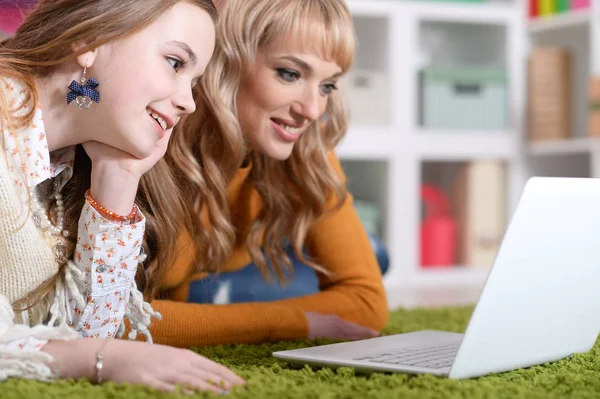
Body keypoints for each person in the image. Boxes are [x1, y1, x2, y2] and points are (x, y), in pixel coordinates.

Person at [0, 0, 243, 393]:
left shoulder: (61, 169)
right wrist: (101, 359)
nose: (189, 102)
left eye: (194, 82)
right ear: (88, 40)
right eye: (176, 63)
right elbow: (88, 352)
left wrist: (118, 177)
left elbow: (87, 335)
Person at [145, 0, 390, 349]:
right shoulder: (158, 132)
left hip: (240, 262)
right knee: (372, 256)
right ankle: (214, 295)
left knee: (376, 255)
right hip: (212, 273)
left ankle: (214, 295)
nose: (312, 110)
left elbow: (366, 303)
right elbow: (106, 317)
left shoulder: (305, 141)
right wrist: (295, 322)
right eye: (289, 74)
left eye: (327, 86)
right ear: (227, 61)